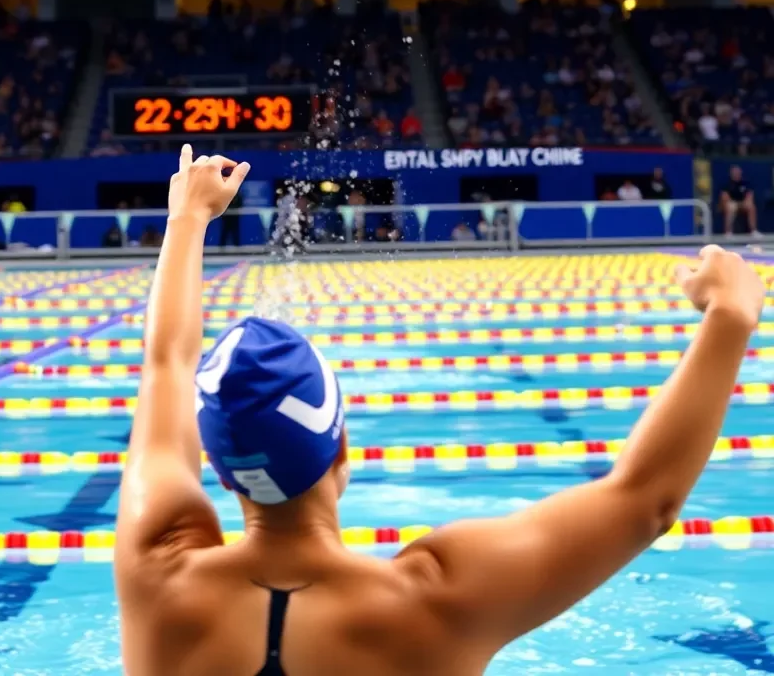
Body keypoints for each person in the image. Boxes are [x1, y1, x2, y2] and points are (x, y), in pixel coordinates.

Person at [115, 145, 768, 676]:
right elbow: (642, 503)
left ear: (223, 472)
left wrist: (187, 220)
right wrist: (731, 314)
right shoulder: (433, 602)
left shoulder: (158, 579)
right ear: (341, 447)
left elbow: (167, 363)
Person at [720, 164, 759, 235]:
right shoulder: (726, 184)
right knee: (730, 207)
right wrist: (734, 203)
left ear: (741, 173)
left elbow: (750, 196)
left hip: (743, 203)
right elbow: (725, 197)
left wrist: (744, 203)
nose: (736, 174)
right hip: (732, 204)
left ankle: (753, 231)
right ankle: (728, 232)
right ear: (731, 174)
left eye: (737, 172)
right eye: (734, 173)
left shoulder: (746, 183)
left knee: (751, 207)